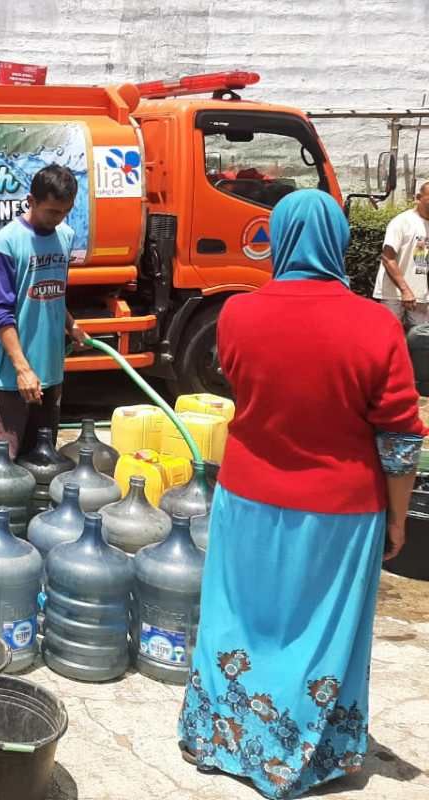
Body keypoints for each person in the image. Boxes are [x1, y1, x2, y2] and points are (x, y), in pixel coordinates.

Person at [177, 190, 426, 798]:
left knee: (238, 620)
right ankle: (302, 753)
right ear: (340, 240)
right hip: (341, 513)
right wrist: (398, 519)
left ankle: (222, 739)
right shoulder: (376, 323)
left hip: (246, 501)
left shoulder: (237, 314)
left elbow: (253, 395)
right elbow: (399, 439)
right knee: (322, 631)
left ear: (278, 239)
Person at [0, 163, 88, 464]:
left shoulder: (65, 236)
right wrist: (23, 369)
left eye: (65, 212)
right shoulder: (6, 243)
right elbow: (1, 313)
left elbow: (52, 291)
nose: (58, 219)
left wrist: (71, 324)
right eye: (51, 211)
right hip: (13, 379)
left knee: (40, 465)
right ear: (31, 201)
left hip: (50, 374)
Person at [374, 181, 429, 329]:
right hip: (394, 295)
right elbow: (387, 258)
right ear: (418, 197)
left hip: (421, 296)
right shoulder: (402, 222)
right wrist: (405, 290)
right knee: (389, 336)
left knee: (422, 342)